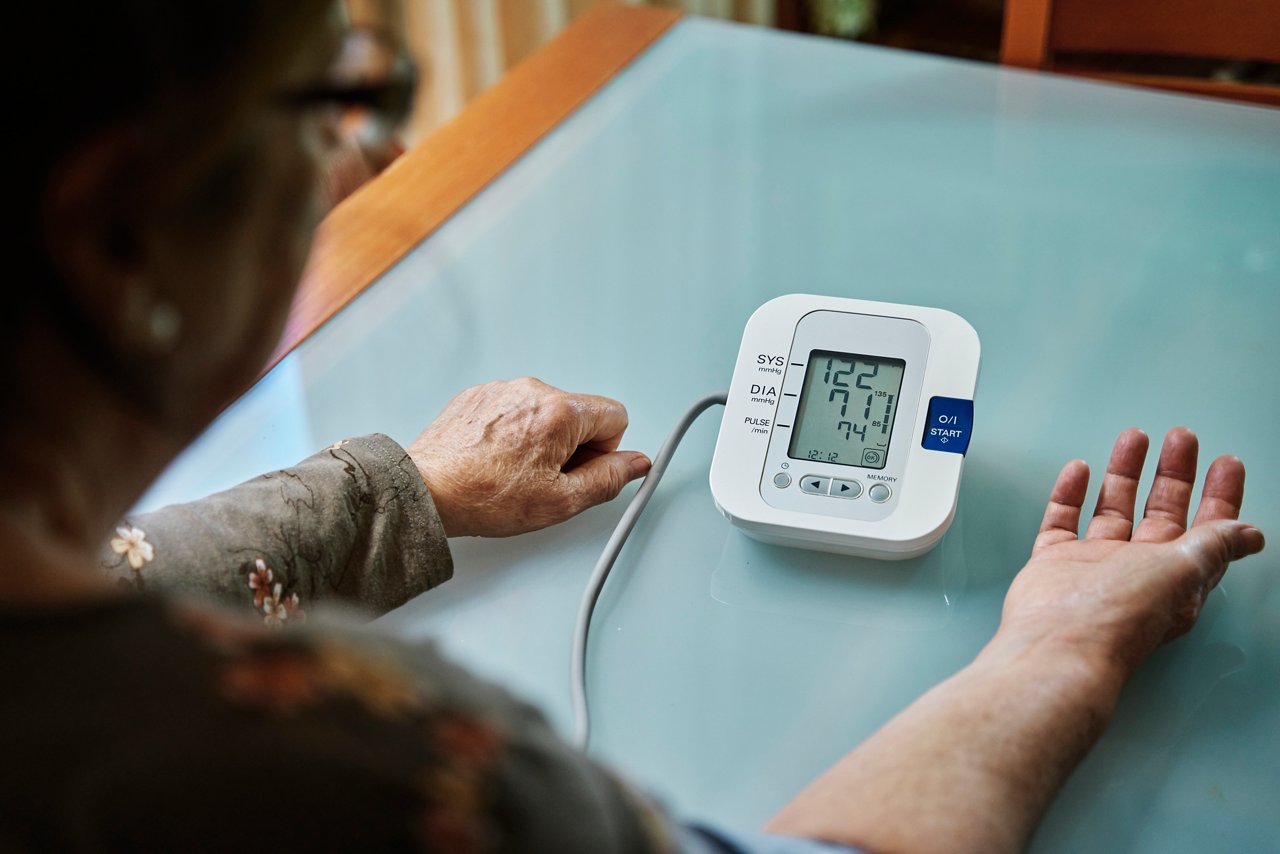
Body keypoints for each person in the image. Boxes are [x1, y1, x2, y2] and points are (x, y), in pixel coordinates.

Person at [1, 2, 1264, 852]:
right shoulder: (362, 765)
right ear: (115, 233)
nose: (356, 166)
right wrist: (1054, 654)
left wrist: (401, 489)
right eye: (331, 104)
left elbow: (125, 562)